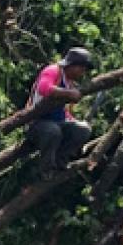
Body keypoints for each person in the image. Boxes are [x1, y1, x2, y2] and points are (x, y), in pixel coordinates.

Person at [26, 47, 94, 178]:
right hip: (37, 123)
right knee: (53, 131)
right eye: (82, 68)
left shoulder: (69, 82)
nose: (83, 72)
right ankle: (46, 170)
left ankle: (60, 161)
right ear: (73, 65)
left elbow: (63, 111)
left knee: (83, 129)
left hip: (58, 122)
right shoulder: (53, 71)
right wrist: (69, 93)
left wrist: (73, 121)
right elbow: (44, 88)